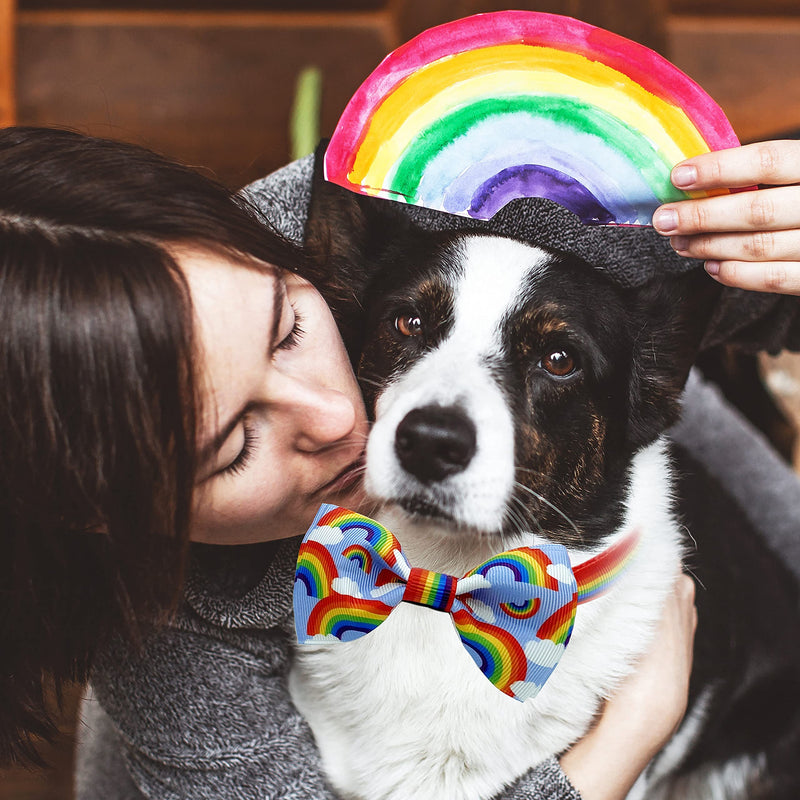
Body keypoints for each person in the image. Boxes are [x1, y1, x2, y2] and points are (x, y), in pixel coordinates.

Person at [0, 126, 791, 799]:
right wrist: (625, 739)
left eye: (291, 331)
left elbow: (731, 267)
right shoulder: (169, 641)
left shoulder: (369, 195)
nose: (346, 418)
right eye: (237, 444)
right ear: (108, 511)